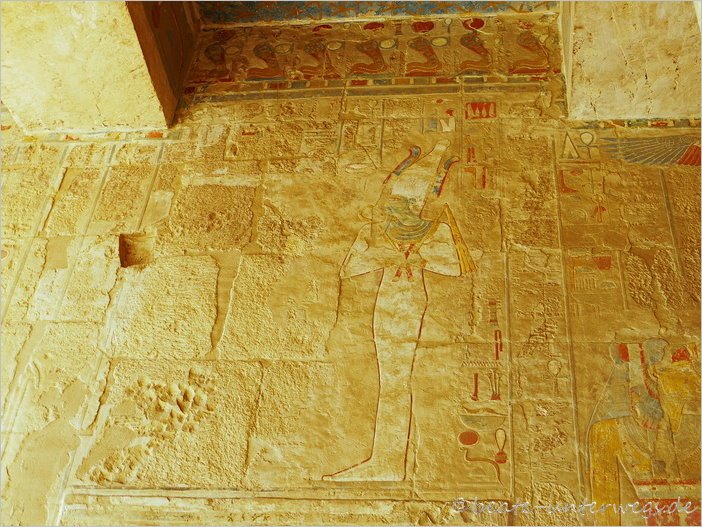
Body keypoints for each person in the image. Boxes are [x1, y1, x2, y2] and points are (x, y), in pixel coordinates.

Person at [324, 140, 474, 481]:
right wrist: (374, 250)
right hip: (386, 305)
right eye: (392, 202)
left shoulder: (436, 231)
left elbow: (455, 268)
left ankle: (389, 463)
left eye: (398, 204)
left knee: (397, 381)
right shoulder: (378, 232)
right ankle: (385, 460)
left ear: (414, 206)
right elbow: (349, 269)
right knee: (389, 381)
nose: (390, 208)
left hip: (410, 305)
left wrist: (418, 258)